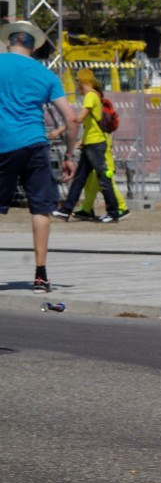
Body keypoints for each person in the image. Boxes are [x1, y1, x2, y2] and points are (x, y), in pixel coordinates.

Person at [0, 20, 78, 293]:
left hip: (2, 145)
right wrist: (69, 154)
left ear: (9, 41)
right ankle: (41, 275)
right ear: (34, 48)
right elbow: (71, 118)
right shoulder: (46, 75)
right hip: (35, 144)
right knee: (41, 208)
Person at [52, 68, 122, 223]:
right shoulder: (94, 96)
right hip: (90, 143)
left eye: (77, 81)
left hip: (95, 144)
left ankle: (113, 212)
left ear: (82, 82)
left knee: (103, 178)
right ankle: (66, 210)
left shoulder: (90, 96)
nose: (76, 86)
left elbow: (79, 118)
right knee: (79, 179)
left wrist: (60, 129)